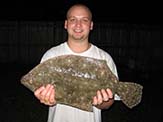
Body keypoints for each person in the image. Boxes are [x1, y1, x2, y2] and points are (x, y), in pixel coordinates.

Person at [34, 3, 120, 122]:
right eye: (73, 19)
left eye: (84, 20)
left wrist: (103, 102)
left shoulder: (104, 58)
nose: (78, 25)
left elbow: (108, 103)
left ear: (91, 25)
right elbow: (45, 94)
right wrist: (46, 99)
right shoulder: (51, 56)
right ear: (66, 24)